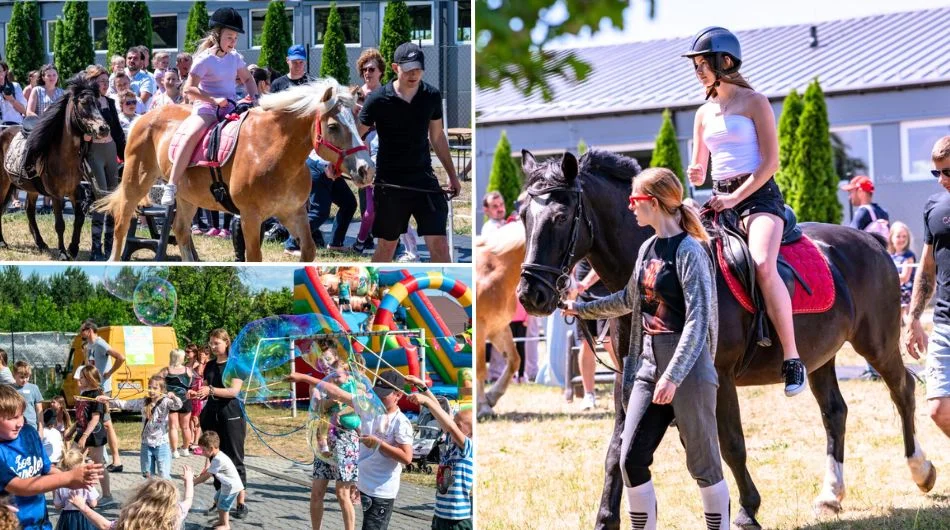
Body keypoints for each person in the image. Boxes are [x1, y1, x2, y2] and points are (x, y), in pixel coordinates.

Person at [564, 167, 729, 530]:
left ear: (652, 203)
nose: (630, 206)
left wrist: (673, 375)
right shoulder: (646, 248)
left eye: (634, 200)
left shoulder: (690, 251)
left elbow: (698, 320)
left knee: (704, 464)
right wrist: (581, 309)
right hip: (648, 364)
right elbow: (629, 299)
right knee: (630, 458)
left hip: (688, 368)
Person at [684, 26, 805, 396]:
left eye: (704, 63)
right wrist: (697, 172)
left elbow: (770, 163)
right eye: (696, 65)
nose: (699, 70)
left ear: (726, 61)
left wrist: (738, 198)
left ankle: (792, 357)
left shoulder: (755, 102)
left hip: (759, 199)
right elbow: (700, 166)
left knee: (762, 263)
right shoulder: (703, 113)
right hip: (719, 199)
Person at [358, 42, 461, 263]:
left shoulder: (431, 96)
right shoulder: (378, 100)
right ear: (396, 68)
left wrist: (453, 176)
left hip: (423, 179)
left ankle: (443, 295)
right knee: (387, 247)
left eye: (418, 69)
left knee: (441, 246)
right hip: (390, 183)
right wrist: (345, 165)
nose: (414, 74)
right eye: (408, 69)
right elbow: (356, 136)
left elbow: (437, 137)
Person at [161, 7, 258, 206]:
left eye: (235, 38)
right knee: (192, 135)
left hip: (231, 108)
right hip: (207, 109)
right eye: (229, 37)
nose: (233, 42)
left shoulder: (235, 58)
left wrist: (255, 97)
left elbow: (248, 78)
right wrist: (213, 100)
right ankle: (171, 185)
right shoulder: (204, 59)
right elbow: (189, 89)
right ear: (217, 35)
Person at [0, 385, 103, 530]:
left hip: (42, 522)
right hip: (14, 525)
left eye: (21, 415)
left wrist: (77, 479)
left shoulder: (28, 433)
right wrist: (68, 478)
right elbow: (19, 486)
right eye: (12, 418)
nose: (20, 423)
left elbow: (46, 468)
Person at [904, 135, 950, 440]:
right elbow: (926, 267)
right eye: (938, 173)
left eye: (948, 172)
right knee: (938, 410)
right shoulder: (933, 208)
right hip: (945, 324)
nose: (942, 180)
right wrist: (914, 317)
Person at [285, 349, 360, 530]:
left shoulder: (356, 385)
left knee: (342, 494)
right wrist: (331, 402)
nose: (326, 365)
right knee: (316, 493)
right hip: (325, 443)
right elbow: (317, 409)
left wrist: (336, 400)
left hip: (346, 441)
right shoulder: (320, 386)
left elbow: (357, 407)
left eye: (329, 360)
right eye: (324, 362)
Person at [187, 329, 247, 519]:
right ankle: (220, 501)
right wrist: (195, 393)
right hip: (211, 414)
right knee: (214, 458)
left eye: (216, 344)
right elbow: (205, 388)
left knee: (235, 458)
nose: (212, 347)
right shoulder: (210, 365)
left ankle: (240, 503)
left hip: (231, 415)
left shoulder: (235, 364)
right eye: (211, 343)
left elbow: (233, 391)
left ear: (226, 343)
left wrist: (210, 389)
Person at [405, 376, 473, 530]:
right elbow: (442, 414)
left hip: (457, 521)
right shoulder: (450, 441)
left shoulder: (468, 448)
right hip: (440, 515)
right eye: (453, 421)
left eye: (458, 424)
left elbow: (450, 426)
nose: (451, 424)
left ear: (470, 434)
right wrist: (422, 387)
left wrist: (426, 402)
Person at [356, 371, 413, 530]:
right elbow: (339, 394)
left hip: (382, 490)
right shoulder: (372, 412)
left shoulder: (401, 422)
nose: (379, 399)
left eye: (384, 396)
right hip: (366, 485)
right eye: (377, 394)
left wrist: (378, 444)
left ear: (398, 395)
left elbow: (407, 458)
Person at [96, 375, 181, 479]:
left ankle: (168, 494)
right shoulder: (144, 402)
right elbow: (125, 404)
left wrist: (173, 396)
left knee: (164, 475)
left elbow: (178, 405)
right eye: (149, 387)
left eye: (155, 388)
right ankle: (150, 495)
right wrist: (108, 399)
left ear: (162, 389)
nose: (151, 390)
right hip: (146, 444)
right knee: (147, 475)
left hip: (162, 445)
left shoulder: (166, 402)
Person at [83, 65, 125, 262]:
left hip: (110, 151)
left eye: (107, 82)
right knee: (101, 198)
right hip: (95, 152)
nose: (105, 85)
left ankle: (110, 246)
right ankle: (95, 247)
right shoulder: (87, 102)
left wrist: (124, 155)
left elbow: (116, 129)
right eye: (101, 81)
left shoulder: (109, 101)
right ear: (92, 82)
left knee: (114, 199)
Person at [72, 470, 193, 530]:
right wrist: (189, 481)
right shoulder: (176, 513)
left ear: (142, 495)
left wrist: (83, 507)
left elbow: (105, 525)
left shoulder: (131, 518)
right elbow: (188, 499)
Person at [571, 260, 619, 410]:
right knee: (586, 343)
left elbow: (602, 264)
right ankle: (589, 394)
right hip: (582, 296)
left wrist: (584, 283)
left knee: (609, 342)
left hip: (605, 295)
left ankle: (623, 385)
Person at [78, 320, 124, 473]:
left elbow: (120, 357)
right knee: (102, 423)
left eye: (82, 330)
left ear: (89, 330)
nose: (80, 333)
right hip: (93, 389)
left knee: (106, 423)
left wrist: (109, 373)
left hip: (102, 391)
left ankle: (116, 460)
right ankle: (102, 456)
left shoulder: (101, 344)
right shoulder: (90, 346)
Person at [63, 366, 112, 505]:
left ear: (90, 378)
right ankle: (73, 491)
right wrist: (72, 432)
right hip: (81, 433)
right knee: (70, 459)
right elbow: (80, 418)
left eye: (83, 377)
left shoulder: (97, 395)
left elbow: (95, 418)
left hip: (94, 435)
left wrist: (84, 436)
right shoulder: (83, 393)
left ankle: (107, 495)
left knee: (98, 465)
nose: (80, 379)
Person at [194, 431, 243, 530]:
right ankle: (221, 521)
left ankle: (225, 525)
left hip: (231, 487)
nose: (202, 453)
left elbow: (207, 475)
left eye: (203, 450)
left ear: (211, 448)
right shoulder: (217, 456)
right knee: (217, 499)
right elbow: (208, 471)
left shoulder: (218, 459)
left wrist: (193, 482)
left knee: (223, 505)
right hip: (227, 485)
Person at [157, 349, 195, 458]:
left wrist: (164, 392)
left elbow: (155, 382)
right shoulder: (188, 370)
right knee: (186, 427)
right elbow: (191, 385)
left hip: (171, 401)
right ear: (181, 358)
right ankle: (185, 449)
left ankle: (174, 451)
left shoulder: (166, 370)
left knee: (173, 427)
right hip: (185, 400)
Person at [51, 448, 99, 530]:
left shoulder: (60, 484)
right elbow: (93, 503)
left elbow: (57, 505)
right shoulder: (86, 482)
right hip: (85, 516)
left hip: (67, 518)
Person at [12, 362, 42, 438]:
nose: (25, 380)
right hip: (15, 426)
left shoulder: (34, 388)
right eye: (21, 377)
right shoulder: (10, 389)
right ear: (14, 375)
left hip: (31, 425)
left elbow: (39, 409)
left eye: (27, 377)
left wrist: (41, 428)